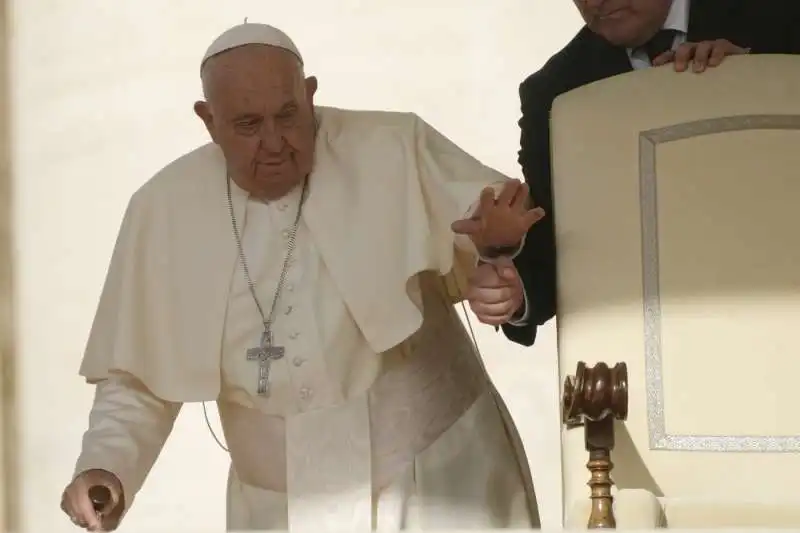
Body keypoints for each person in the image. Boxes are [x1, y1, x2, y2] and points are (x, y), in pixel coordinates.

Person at [59, 22, 546, 532]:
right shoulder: (162, 209)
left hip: (440, 482)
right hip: (279, 512)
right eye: (248, 125)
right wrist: (107, 465)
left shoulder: (393, 145)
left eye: (289, 115)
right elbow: (138, 376)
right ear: (208, 120)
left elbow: (489, 223)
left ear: (310, 95)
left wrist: (500, 256)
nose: (275, 143)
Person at [465, 0, 800, 344]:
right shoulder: (553, 92)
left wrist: (762, 80)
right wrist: (510, 283)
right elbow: (559, 248)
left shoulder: (779, 18)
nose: (596, 2)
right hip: (662, 350)